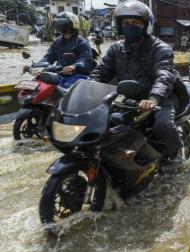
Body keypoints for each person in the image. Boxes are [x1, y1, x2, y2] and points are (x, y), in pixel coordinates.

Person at [90, 0, 182, 164]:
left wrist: (154, 98)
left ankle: (177, 156)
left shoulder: (160, 48)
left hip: (162, 99)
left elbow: (165, 74)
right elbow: (100, 73)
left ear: (146, 25)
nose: (129, 26)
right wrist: (84, 90)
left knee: (162, 125)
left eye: (135, 22)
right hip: (129, 101)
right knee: (103, 123)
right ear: (119, 26)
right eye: (126, 23)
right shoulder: (115, 49)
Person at [38, 12, 93, 77]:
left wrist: (74, 66)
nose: (61, 26)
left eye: (64, 24)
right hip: (60, 74)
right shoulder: (57, 41)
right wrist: (37, 65)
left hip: (77, 75)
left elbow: (86, 61)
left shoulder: (81, 41)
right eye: (58, 24)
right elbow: (48, 57)